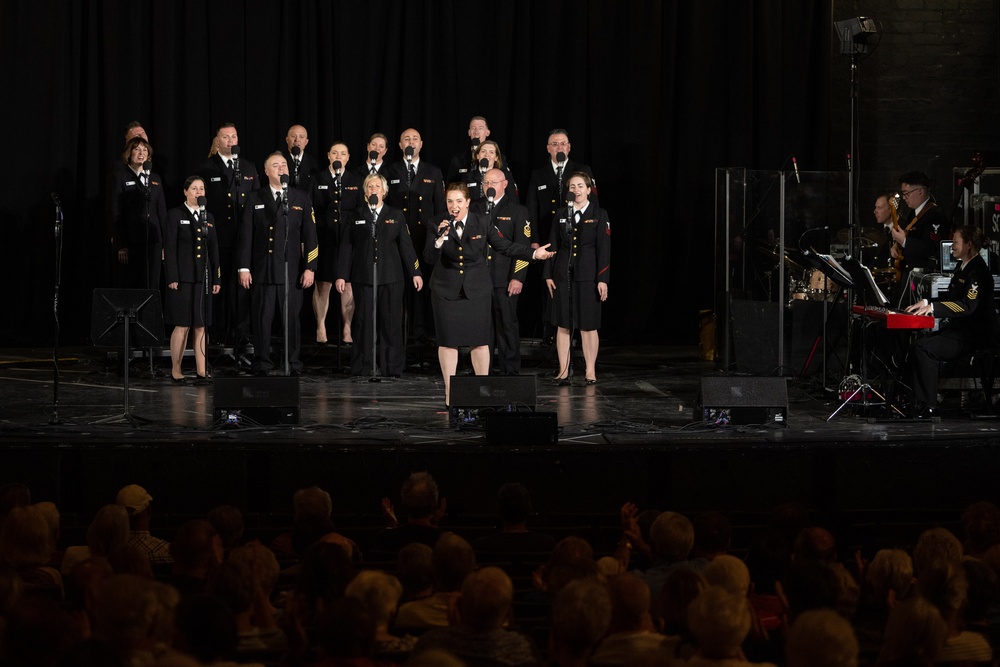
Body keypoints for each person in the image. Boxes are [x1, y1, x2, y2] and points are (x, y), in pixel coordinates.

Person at [426, 183, 554, 407]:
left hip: (476, 290)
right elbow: (428, 257)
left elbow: (505, 246)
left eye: (458, 201)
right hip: (445, 290)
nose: (453, 206)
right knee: (448, 343)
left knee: (479, 341)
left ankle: (481, 391)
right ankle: (449, 393)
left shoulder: (482, 222)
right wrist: (440, 238)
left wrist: (533, 253)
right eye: (449, 201)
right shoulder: (437, 224)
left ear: (467, 202)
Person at [237, 152, 318, 377]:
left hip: (291, 271)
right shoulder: (255, 197)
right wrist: (244, 267)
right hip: (263, 270)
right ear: (266, 171)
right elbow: (246, 236)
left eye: (284, 164)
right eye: (276, 165)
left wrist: (310, 267)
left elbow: (311, 236)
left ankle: (291, 362)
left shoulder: (300, 198)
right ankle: (262, 362)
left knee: (291, 320)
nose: (282, 168)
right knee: (262, 319)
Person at [336, 173, 423, 377]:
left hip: (391, 277)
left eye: (377, 186)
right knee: (364, 322)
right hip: (363, 276)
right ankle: (363, 366)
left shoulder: (396, 214)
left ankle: (391, 367)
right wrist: (341, 274)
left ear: (384, 191)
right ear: (365, 192)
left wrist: (415, 272)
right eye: (369, 186)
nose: (373, 189)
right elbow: (347, 247)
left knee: (391, 323)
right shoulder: (355, 215)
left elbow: (406, 246)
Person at [905, 225, 998, 417]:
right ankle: (917, 400)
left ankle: (929, 404)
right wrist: (927, 301)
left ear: (969, 245)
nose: (951, 246)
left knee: (924, 349)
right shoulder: (963, 267)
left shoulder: (977, 272)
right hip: (959, 331)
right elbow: (951, 298)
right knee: (917, 345)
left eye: (955, 242)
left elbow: (966, 306)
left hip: (973, 335)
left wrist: (933, 309)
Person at [526, 129, 598, 345]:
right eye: (554, 144)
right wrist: (534, 239)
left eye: (562, 144)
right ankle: (551, 333)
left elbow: (593, 205)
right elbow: (532, 209)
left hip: (576, 240)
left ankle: (576, 334)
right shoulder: (538, 174)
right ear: (548, 148)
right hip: (549, 241)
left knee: (577, 286)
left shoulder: (582, 171)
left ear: (569, 147)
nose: (559, 148)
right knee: (551, 285)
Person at [544, 172, 610, 385]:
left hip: (588, 276)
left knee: (588, 326)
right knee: (563, 325)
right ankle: (564, 369)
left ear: (589, 189)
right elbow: (552, 244)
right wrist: (548, 274)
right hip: (563, 275)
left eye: (580, 186)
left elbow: (604, 249)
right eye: (572, 187)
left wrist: (603, 278)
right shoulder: (562, 214)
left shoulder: (599, 214)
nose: (576, 190)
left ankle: (590, 370)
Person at [199, 122, 260, 347]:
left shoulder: (248, 167)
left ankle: (240, 332)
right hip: (218, 237)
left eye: (234, 137)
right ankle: (217, 331)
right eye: (226, 137)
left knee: (242, 288)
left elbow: (256, 200)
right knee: (218, 286)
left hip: (243, 237)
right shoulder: (206, 167)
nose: (231, 141)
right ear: (218, 141)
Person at [386, 128, 447, 343]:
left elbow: (440, 208)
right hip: (396, 238)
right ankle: (397, 332)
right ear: (400, 145)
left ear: (421, 144)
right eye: (406, 139)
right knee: (397, 283)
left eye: (414, 139)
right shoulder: (390, 170)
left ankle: (421, 331)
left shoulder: (433, 171)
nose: (410, 142)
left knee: (422, 284)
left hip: (423, 238)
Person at [471, 169, 533, 376]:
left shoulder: (517, 210)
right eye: (486, 182)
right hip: (479, 279)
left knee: (507, 325)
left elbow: (522, 247)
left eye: (494, 182)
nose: (489, 186)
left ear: (504, 184)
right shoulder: (475, 208)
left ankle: (510, 370)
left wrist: (517, 277)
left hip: (504, 278)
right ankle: (482, 371)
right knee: (481, 327)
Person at [163, 176, 221, 383]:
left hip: (203, 278)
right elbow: (169, 248)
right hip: (182, 279)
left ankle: (201, 369)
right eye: (194, 189)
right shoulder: (175, 214)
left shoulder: (209, 217)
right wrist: (172, 276)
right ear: (185, 192)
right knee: (182, 324)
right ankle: (176, 369)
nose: (199, 192)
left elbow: (213, 250)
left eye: (202, 189)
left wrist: (216, 279)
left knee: (201, 325)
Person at [311, 141, 362, 345]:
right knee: (323, 283)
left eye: (343, 153)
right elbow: (311, 209)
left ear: (348, 157)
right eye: (334, 153)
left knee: (347, 284)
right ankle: (321, 325)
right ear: (329, 156)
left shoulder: (356, 179)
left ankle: (347, 328)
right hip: (324, 238)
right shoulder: (317, 179)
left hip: (348, 239)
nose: (338, 156)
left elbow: (360, 211)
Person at [109, 136, 167, 290]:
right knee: (133, 284)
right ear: (129, 153)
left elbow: (162, 213)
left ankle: (152, 314)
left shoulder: (155, 179)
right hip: (131, 241)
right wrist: (121, 244)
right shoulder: (121, 177)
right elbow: (116, 213)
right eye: (137, 149)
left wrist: (164, 245)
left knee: (152, 283)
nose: (141, 153)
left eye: (145, 150)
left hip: (154, 240)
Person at [891, 170, 948, 305]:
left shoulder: (935, 215)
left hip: (922, 277)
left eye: (907, 193)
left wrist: (904, 242)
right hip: (910, 274)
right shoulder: (914, 213)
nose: (905, 198)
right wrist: (898, 245)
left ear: (920, 191)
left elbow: (932, 249)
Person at [446, 115, 492, 184]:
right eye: (473, 128)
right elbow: (450, 185)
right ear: (469, 132)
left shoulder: (496, 157)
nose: (476, 131)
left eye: (480, 128)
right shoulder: (458, 159)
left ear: (487, 133)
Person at [281, 124, 319, 192]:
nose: (297, 140)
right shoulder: (280, 160)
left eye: (301, 137)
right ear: (287, 140)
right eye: (293, 136)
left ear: (306, 142)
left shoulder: (314, 163)